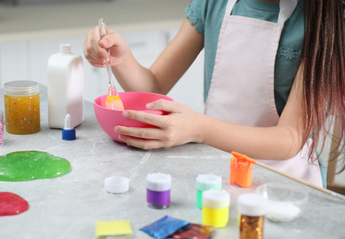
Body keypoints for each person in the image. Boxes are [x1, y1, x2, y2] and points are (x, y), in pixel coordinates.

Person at [84, 0, 345, 187]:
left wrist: (199, 129)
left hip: (285, 180)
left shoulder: (322, 22)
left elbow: (289, 138)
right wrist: (122, 57)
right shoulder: (213, 4)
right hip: (215, 168)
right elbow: (152, 88)